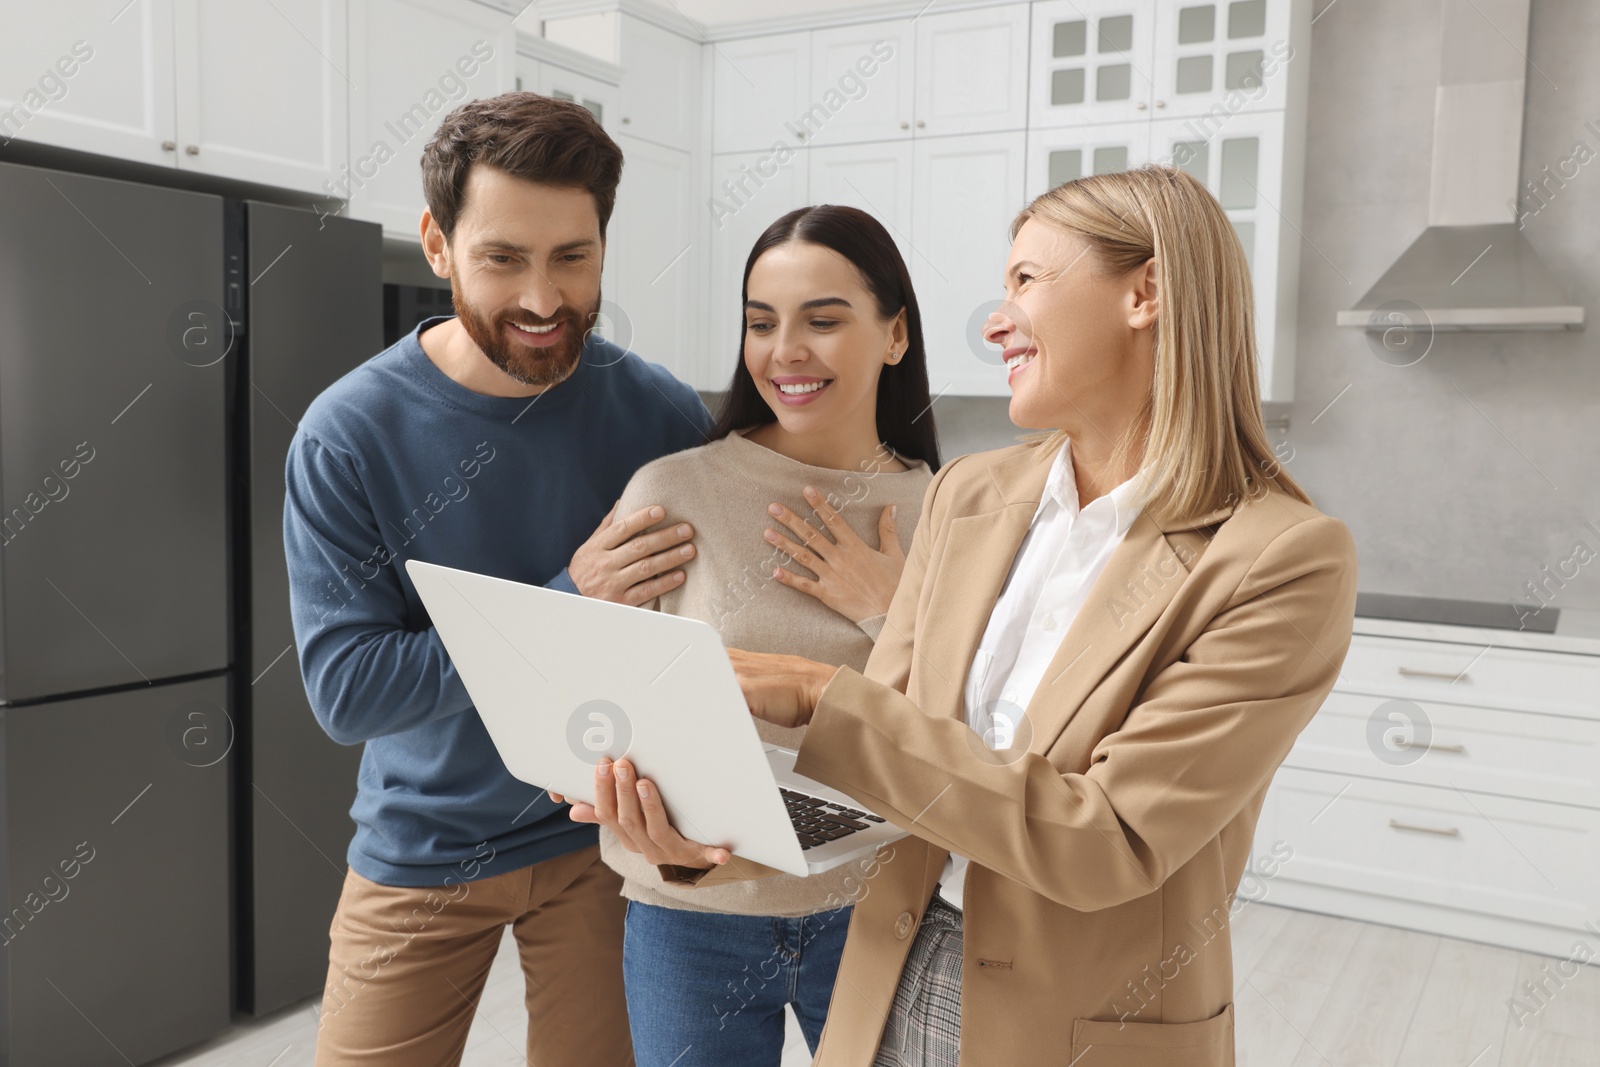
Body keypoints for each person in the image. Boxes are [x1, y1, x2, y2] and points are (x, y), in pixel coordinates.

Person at [571, 166, 1360, 1066]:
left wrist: (817, 690)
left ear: (1145, 293)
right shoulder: (974, 493)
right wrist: (701, 846)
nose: (995, 320)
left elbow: (1109, 839)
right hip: (886, 964)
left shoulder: (1278, 557)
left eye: (1027, 280)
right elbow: (879, 790)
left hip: (1072, 1022)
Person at [284, 93, 714, 1067]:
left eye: (572, 256)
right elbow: (350, 690)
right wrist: (569, 598)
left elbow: (708, 634)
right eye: (503, 257)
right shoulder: (349, 435)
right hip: (423, 848)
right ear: (438, 244)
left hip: (606, 841)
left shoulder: (657, 412)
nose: (541, 298)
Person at [592, 205, 939, 1066]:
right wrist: (635, 818)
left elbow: (982, 746)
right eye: (761, 322)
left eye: (823, 320)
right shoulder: (672, 491)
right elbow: (604, 704)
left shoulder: (952, 511)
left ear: (895, 334)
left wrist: (890, 615)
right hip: (693, 918)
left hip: (882, 914)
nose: (785, 350)